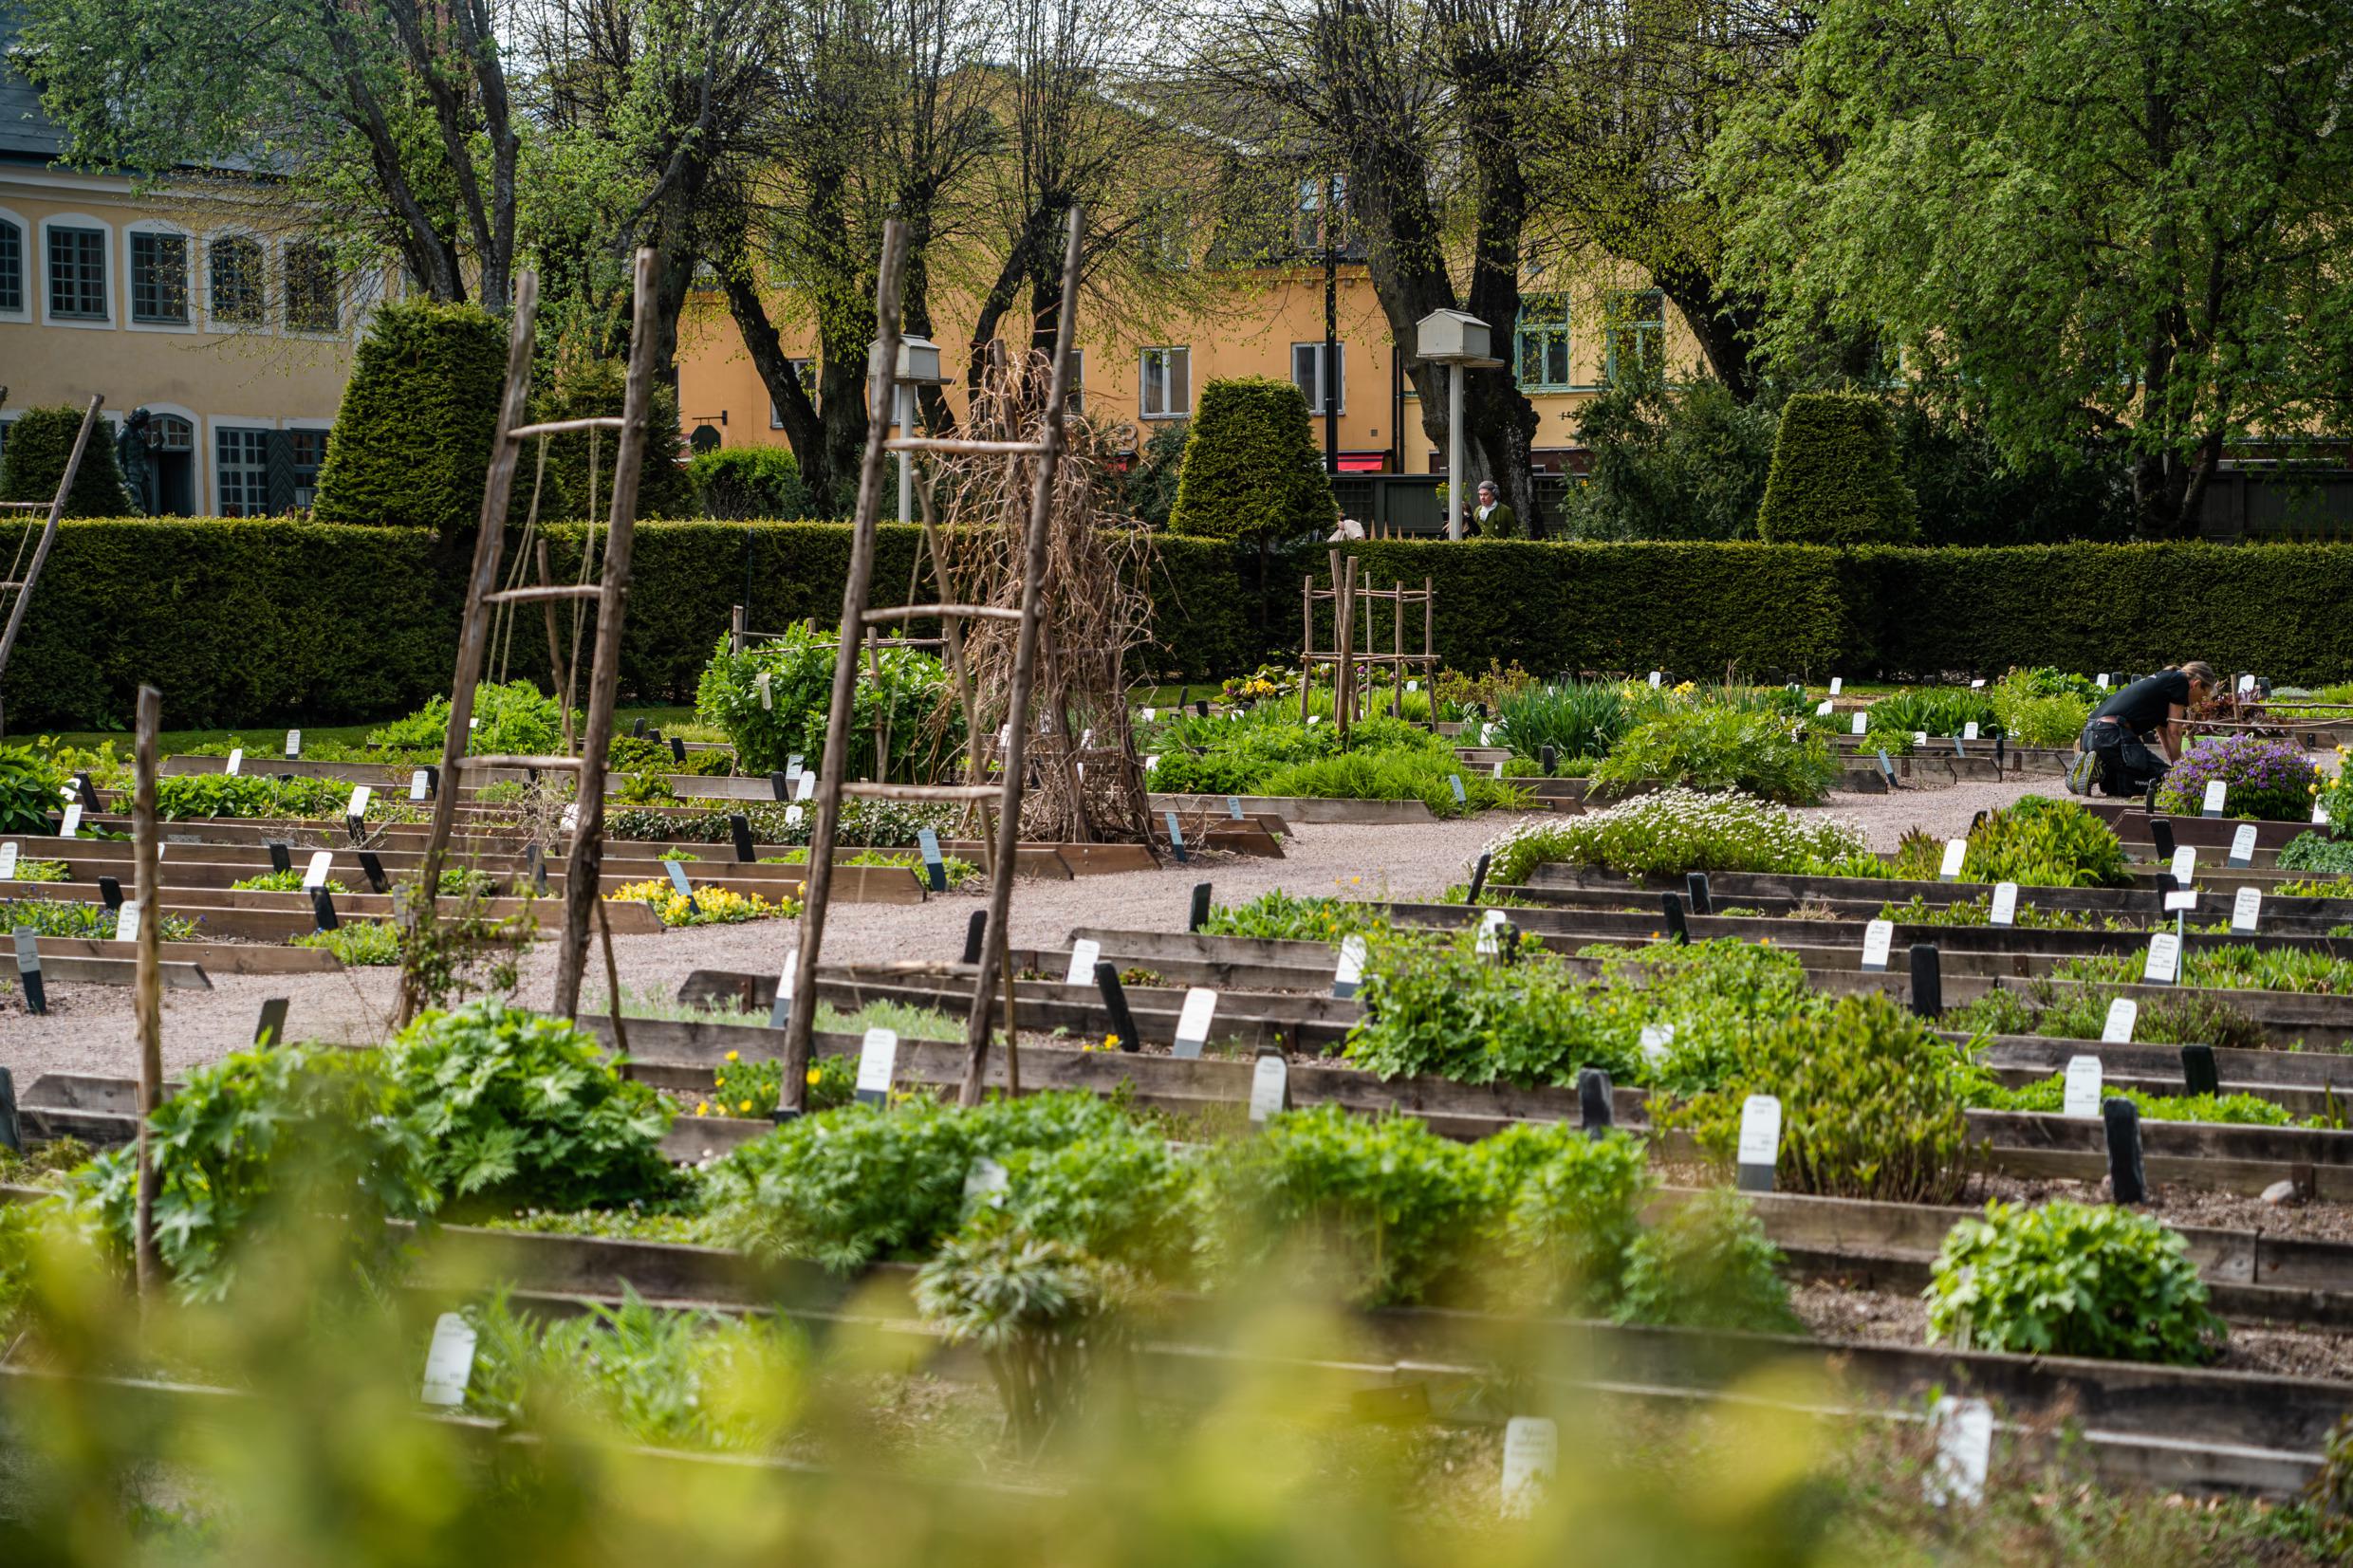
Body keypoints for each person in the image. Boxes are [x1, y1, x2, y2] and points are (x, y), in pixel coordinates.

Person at [2066, 662, 2217, 796]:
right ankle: (2100, 770)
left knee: (2118, 786)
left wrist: (2175, 765)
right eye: (2203, 695)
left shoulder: (2165, 680)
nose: (2199, 701)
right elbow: (2174, 732)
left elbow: (2164, 732)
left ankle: (2098, 771)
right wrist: (2180, 772)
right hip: (2111, 735)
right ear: (2196, 684)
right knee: (2167, 780)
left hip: (2091, 736)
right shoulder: (2180, 682)